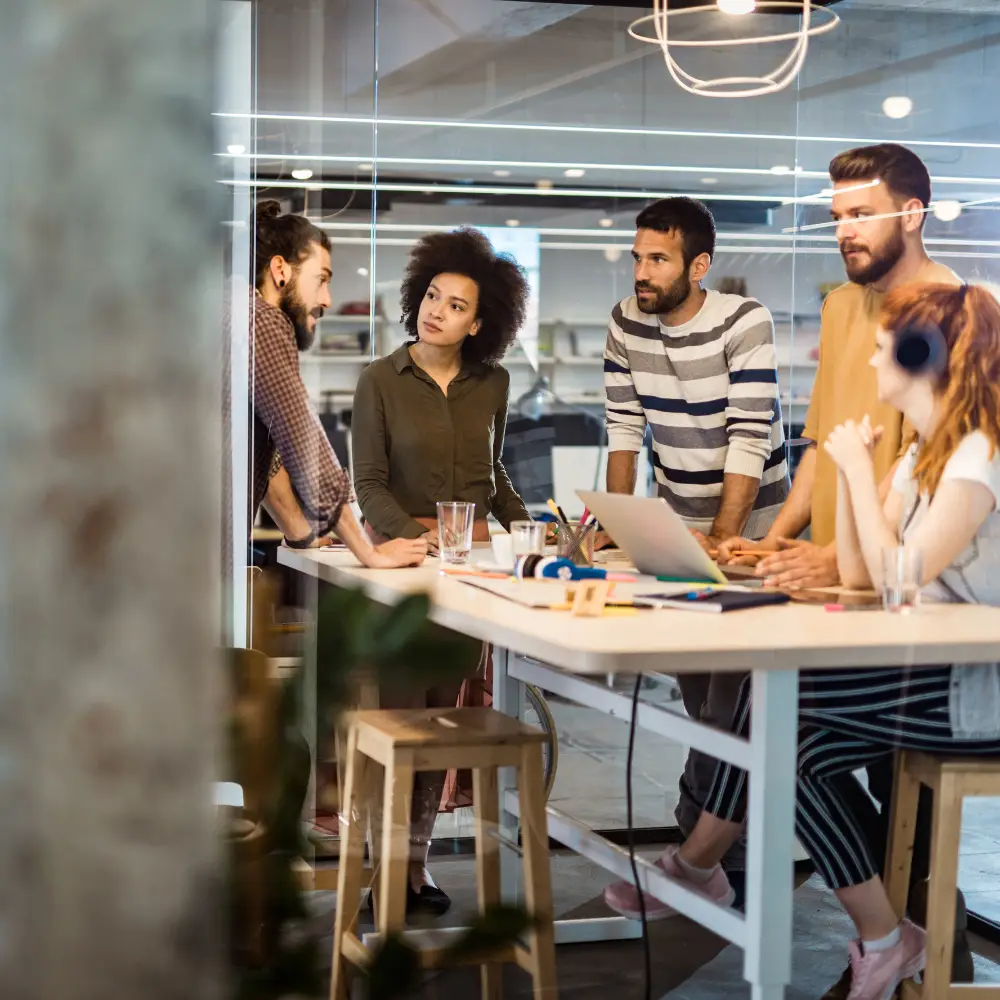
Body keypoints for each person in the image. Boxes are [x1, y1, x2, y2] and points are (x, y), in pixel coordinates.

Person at [604, 281, 1000, 1000]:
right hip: (929, 672)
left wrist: (851, 471)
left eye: (886, 345)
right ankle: (883, 937)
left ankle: (699, 863)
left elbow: (898, 579)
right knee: (787, 736)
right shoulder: (922, 457)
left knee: (780, 718)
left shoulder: (978, 455)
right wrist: (853, 487)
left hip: (976, 695)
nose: (872, 355)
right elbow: (857, 568)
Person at [713, 144, 970, 995]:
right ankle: (888, 943)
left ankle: (905, 950)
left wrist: (837, 557)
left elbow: (933, 525)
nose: (845, 229)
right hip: (866, 580)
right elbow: (826, 446)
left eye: (860, 211)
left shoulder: (966, 319)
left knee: (827, 745)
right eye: (836, 216)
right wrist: (773, 537)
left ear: (912, 212)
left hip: (915, 605)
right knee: (789, 715)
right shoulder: (840, 311)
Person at [603, 196, 789, 901]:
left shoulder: (746, 322)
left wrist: (727, 540)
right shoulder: (626, 321)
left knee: (731, 697)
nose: (642, 272)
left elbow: (749, 435)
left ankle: (705, 858)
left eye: (658, 259)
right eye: (638, 256)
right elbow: (623, 427)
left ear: (699, 265)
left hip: (756, 526)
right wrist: (621, 525)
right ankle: (703, 855)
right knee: (696, 692)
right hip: (674, 525)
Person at [351, 227, 535, 915]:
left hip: (469, 574)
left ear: (480, 323)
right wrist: (414, 540)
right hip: (401, 572)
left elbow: (493, 475)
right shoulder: (380, 380)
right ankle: (381, 872)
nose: (436, 311)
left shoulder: (493, 385)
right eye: (433, 296)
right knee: (399, 724)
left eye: (456, 305)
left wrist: (529, 526)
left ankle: (417, 869)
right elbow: (367, 486)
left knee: (439, 727)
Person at [249, 200, 426, 569]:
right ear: (280, 270)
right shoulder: (262, 322)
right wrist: (369, 552)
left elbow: (265, 455)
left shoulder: (236, 313)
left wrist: (301, 533)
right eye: (322, 279)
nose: (327, 300)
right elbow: (304, 443)